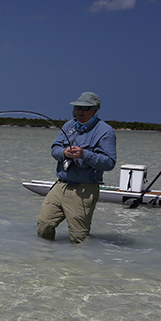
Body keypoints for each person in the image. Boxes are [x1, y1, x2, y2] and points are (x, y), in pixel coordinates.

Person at [37, 91, 117, 244]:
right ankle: (44, 261)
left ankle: (81, 265)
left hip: (83, 190)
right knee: (44, 224)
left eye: (86, 108)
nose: (80, 111)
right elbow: (54, 149)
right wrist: (64, 153)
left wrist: (84, 155)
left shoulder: (105, 132)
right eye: (78, 107)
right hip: (61, 185)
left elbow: (109, 163)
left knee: (78, 237)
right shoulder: (69, 125)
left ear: (95, 110)